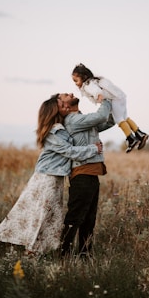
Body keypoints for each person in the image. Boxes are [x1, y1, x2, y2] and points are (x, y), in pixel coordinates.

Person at [0, 94, 102, 257]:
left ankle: (39, 249)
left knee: (49, 215)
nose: (65, 105)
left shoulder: (62, 127)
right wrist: (93, 148)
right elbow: (69, 151)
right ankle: (32, 251)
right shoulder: (53, 131)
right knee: (41, 214)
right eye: (61, 104)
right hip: (47, 178)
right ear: (53, 109)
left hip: (55, 179)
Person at [57, 93, 114, 258]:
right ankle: (63, 255)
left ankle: (84, 255)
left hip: (91, 174)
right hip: (82, 174)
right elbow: (102, 115)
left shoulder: (83, 120)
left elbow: (109, 120)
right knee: (75, 217)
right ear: (65, 107)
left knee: (89, 219)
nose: (71, 93)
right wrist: (106, 98)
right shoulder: (73, 120)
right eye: (65, 96)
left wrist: (118, 107)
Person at [71, 63, 149, 153]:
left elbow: (97, 92)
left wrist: (100, 99)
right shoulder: (95, 80)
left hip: (115, 99)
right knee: (125, 118)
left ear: (84, 77)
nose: (76, 84)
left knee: (119, 119)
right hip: (120, 96)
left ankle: (131, 139)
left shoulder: (88, 85)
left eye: (76, 81)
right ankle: (140, 134)